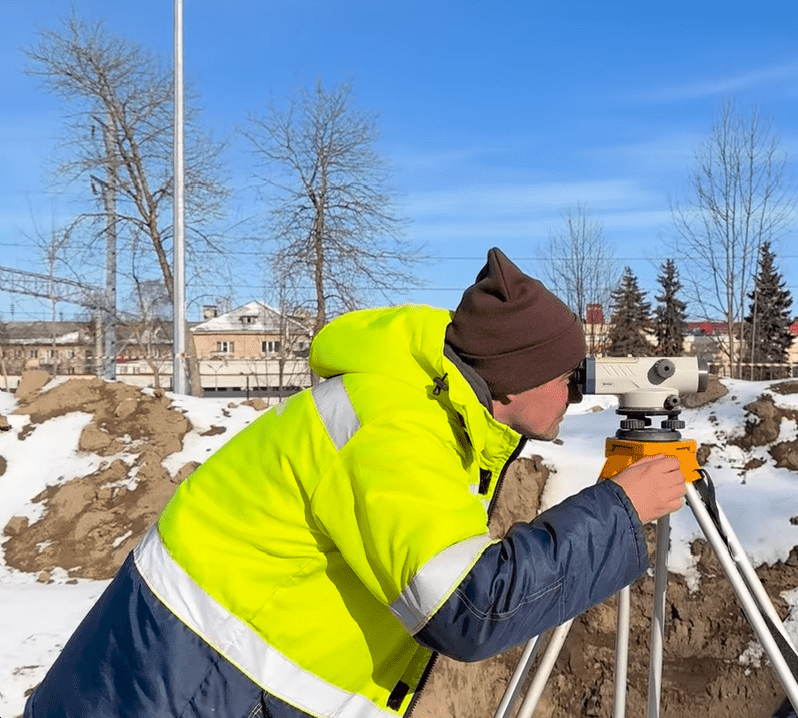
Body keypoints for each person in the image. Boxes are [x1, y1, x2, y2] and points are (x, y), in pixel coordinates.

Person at [25, 247, 687, 718]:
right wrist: (619, 510)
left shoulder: (421, 405)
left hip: (193, 680)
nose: (577, 393)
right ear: (513, 383)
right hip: (185, 688)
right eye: (568, 379)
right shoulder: (393, 427)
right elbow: (467, 607)